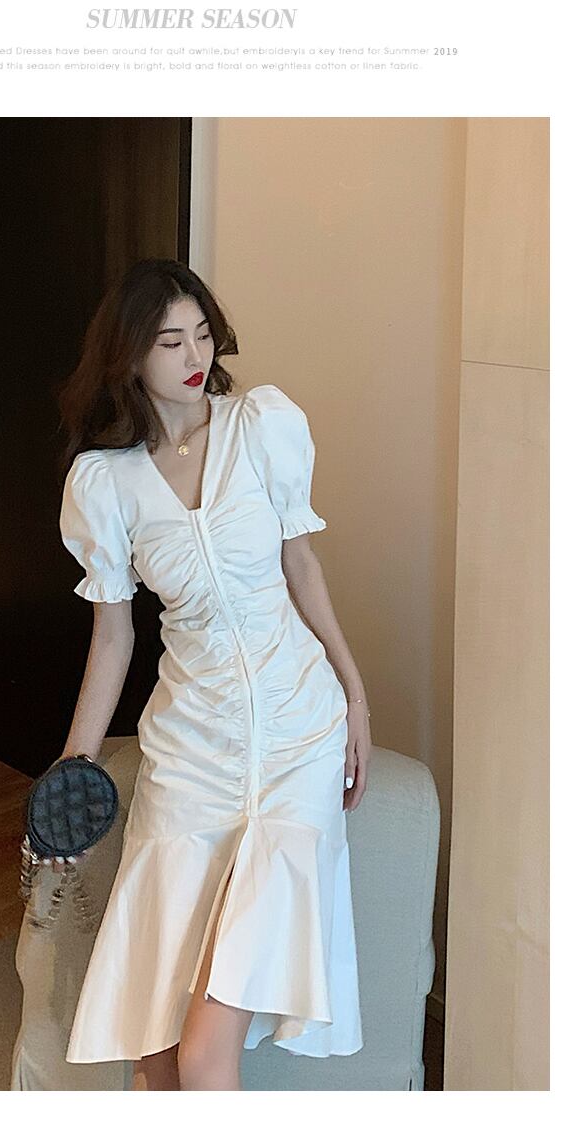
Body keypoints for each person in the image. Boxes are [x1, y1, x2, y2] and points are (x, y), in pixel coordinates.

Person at [52, 258, 370, 1091]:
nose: (195, 355)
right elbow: (113, 638)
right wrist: (71, 771)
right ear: (129, 355)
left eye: (202, 333)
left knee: (200, 1053)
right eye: (170, 341)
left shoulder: (261, 428)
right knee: (155, 1051)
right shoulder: (107, 483)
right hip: (191, 745)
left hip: (297, 732)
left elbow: (302, 568)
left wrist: (354, 696)